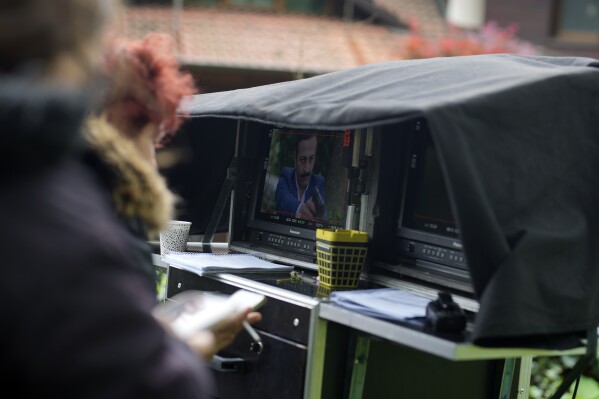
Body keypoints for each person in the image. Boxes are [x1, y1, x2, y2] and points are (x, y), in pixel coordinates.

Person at [0, 0, 255, 396]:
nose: (155, 165)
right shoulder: (83, 218)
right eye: (153, 141)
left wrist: (146, 335)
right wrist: (182, 353)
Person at [275, 134, 327, 221]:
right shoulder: (286, 175)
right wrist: (300, 209)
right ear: (295, 158)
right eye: (302, 160)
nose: (307, 169)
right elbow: (282, 198)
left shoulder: (320, 182)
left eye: (311, 159)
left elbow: (324, 216)